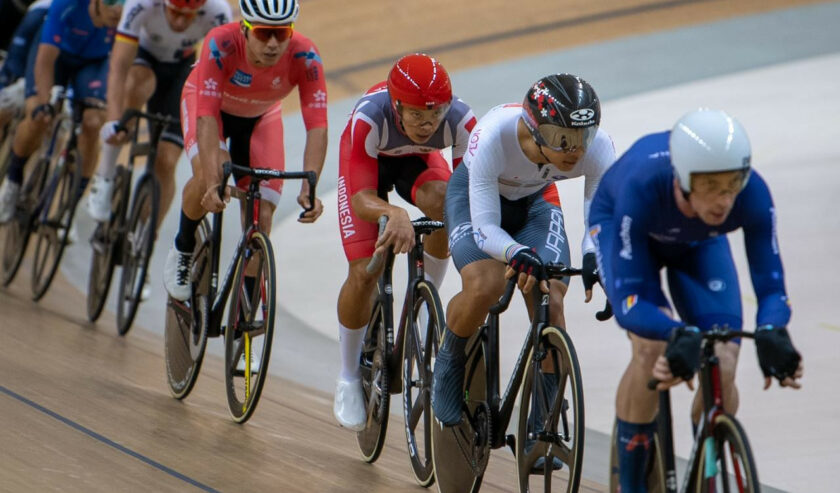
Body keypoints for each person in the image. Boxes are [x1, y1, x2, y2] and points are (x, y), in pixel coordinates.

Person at [587, 108, 803, 492]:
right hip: (627, 232)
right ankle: (631, 483)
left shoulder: (752, 195)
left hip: (698, 240)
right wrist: (676, 332)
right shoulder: (642, 186)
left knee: (724, 357)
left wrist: (773, 330)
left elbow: (771, 286)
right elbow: (630, 301)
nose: (724, 200)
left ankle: (706, 463)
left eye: (732, 184)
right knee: (651, 349)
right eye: (711, 186)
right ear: (683, 180)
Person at [431, 73, 615, 468]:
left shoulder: (598, 150)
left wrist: (594, 255)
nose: (574, 150)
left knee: (552, 296)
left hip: (534, 201)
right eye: (561, 138)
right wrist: (514, 252)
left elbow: (599, 222)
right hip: (476, 200)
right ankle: (449, 360)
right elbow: (484, 228)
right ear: (533, 128)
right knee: (487, 285)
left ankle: (543, 420)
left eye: (582, 136)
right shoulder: (493, 135)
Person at [332, 53, 476, 432]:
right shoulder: (369, 118)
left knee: (449, 204)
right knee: (364, 270)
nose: (428, 124)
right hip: (368, 173)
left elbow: (466, 197)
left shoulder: (461, 121)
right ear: (396, 106)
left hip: (417, 164)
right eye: (416, 116)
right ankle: (347, 375)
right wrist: (394, 214)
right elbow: (361, 198)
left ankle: (424, 302)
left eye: (435, 115)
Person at [162, 0, 325, 302]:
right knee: (208, 176)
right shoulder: (220, 44)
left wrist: (309, 185)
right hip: (211, 110)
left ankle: (247, 305)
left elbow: (317, 124)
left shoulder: (306, 54)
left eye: (282, 32)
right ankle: (183, 247)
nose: (274, 43)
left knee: (262, 212)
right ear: (244, 28)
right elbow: (207, 116)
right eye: (264, 33)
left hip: (261, 117)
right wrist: (212, 179)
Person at [86, 0, 232, 224]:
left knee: (166, 160)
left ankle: (146, 235)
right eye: (175, 12)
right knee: (138, 84)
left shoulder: (218, 10)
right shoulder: (141, 4)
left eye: (189, 15)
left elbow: (223, 71)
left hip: (181, 68)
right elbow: (119, 67)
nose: (181, 21)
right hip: (144, 58)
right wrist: (116, 120)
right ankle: (105, 176)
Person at [0, 0, 122, 223]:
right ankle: (13, 180)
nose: (118, 10)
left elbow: (121, 70)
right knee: (38, 115)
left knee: (93, 122)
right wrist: (43, 102)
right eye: (113, 2)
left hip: (93, 64)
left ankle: (70, 207)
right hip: (56, 55)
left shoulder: (127, 17)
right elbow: (45, 60)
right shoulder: (68, 4)